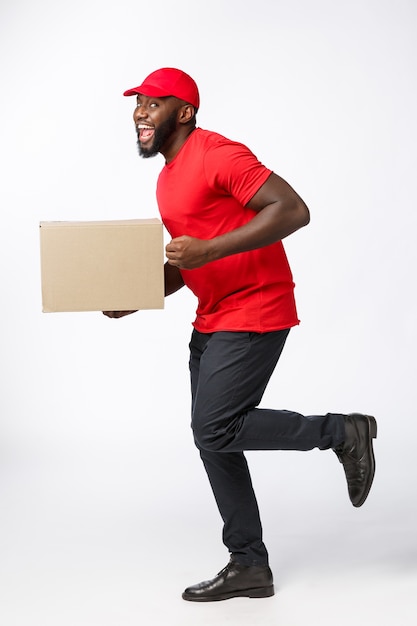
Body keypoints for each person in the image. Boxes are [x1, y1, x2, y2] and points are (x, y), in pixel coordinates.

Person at [103, 68, 377, 602]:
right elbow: (190, 261)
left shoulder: (218, 154)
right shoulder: (167, 177)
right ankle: (249, 564)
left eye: (154, 103)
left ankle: (341, 431)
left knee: (215, 429)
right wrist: (137, 292)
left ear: (183, 112)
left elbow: (293, 209)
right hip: (212, 315)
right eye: (137, 103)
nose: (140, 111)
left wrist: (208, 250)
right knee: (214, 441)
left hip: (256, 309)